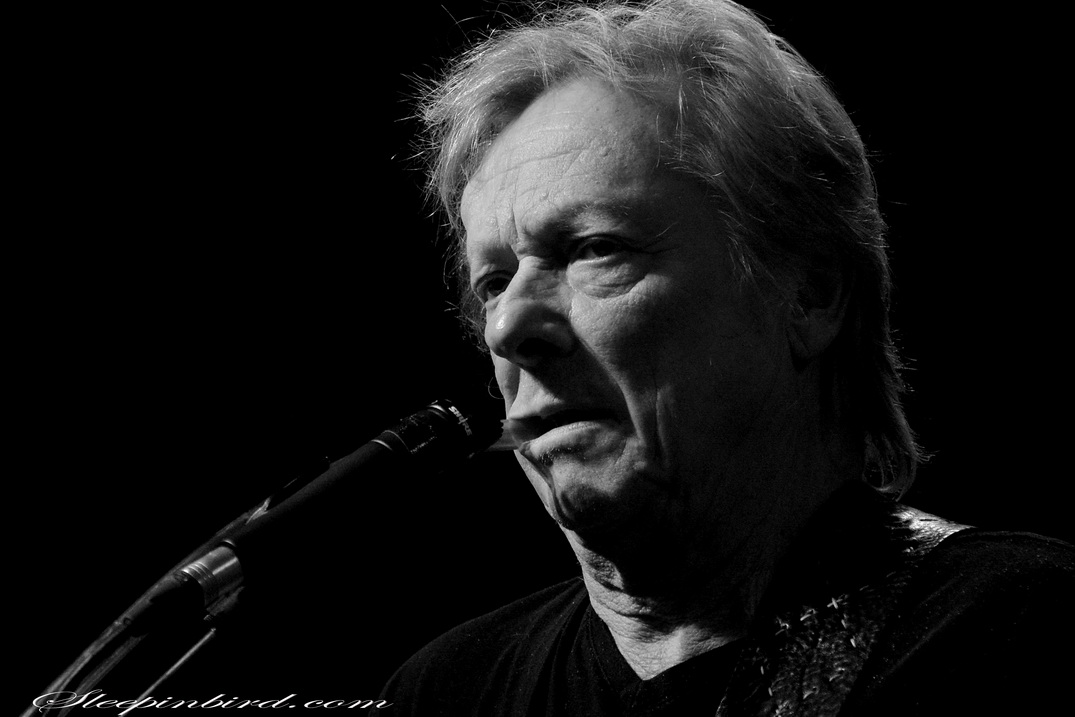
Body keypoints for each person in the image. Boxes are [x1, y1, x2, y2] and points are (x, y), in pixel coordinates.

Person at [373, 1, 1074, 714]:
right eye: (493, 282)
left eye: (595, 249)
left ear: (808, 293)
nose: (507, 327)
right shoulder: (446, 690)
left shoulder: (1022, 633)